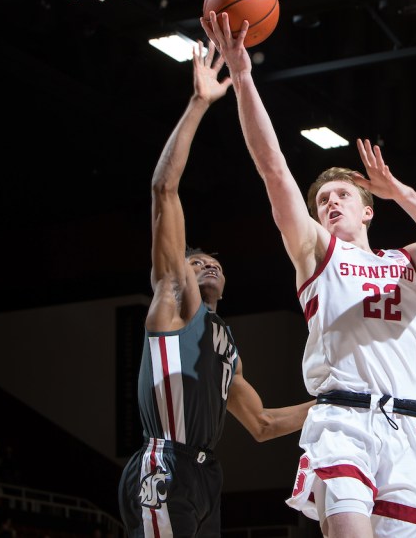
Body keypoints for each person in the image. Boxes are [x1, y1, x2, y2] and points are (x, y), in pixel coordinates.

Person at [202, 12, 416, 538]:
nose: (330, 203)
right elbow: (274, 167)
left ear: (368, 209)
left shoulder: (408, 261)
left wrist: (403, 192)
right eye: (322, 199)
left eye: (342, 194)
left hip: (412, 430)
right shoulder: (317, 253)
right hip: (343, 422)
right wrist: (244, 78)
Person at [117, 40, 315, 538]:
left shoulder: (227, 346)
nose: (205, 265)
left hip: (207, 476)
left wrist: (337, 403)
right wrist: (199, 103)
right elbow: (164, 190)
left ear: (225, 280)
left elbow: (264, 424)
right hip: (163, 463)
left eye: (213, 263)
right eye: (195, 261)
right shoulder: (174, 299)